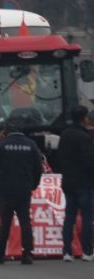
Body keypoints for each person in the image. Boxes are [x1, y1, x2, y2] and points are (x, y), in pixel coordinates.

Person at [0, 117, 43, 265]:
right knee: (25, 221)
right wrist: (33, 185)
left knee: (5, 222)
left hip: (5, 189)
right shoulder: (31, 145)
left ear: (6, 131)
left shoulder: (2, 145)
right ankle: (28, 254)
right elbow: (38, 168)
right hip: (24, 189)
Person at [58, 105, 94, 262]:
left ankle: (67, 251)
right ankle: (87, 251)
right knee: (87, 218)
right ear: (84, 118)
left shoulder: (64, 135)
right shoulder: (84, 137)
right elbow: (89, 161)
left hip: (68, 182)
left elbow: (59, 158)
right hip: (84, 183)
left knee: (69, 217)